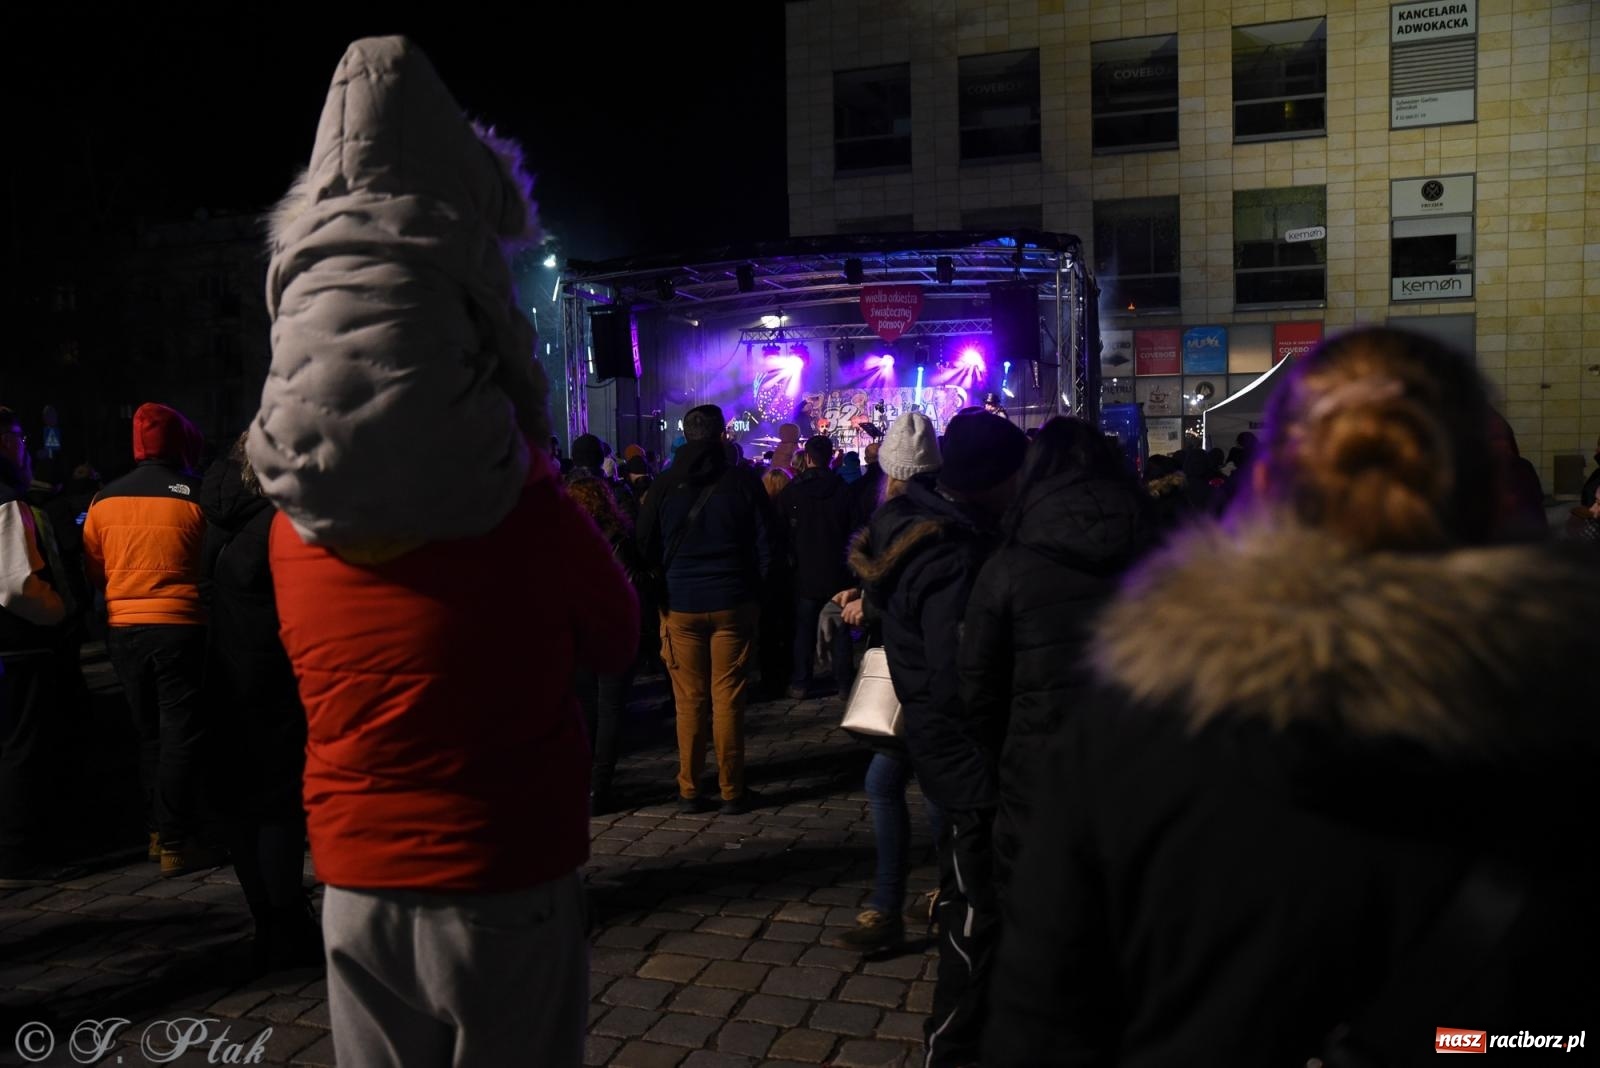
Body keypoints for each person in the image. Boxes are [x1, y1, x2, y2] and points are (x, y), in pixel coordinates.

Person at [986, 327, 1600, 1066]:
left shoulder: (1129, 732)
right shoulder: (1559, 742)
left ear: (1266, 485)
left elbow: (1041, 1021)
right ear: (1484, 493)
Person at [256, 37, 638, 1067]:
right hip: (501, 870)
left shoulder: (293, 522)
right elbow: (615, 636)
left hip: (353, 878)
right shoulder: (522, 505)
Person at [848, 410, 1029, 1067]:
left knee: (953, 856)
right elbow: (958, 670)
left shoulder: (902, 529)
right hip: (955, 736)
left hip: (930, 723)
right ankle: (954, 1043)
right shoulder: (951, 548)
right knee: (976, 894)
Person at [957, 417, 1151, 907]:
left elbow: (978, 690)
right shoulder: (1169, 547)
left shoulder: (1007, 565)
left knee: (1043, 917)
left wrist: (1006, 755)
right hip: (1147, 771)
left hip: (1040, 774)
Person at [199, 433, 319, 970]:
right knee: (277, 805)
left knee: (240, 803)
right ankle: (285, 922)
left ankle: (267, 919)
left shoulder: (219, 513)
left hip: (225, 670)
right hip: (274, 677)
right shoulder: (280, 522)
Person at [83, 401, 216, 877]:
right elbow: (210, 566)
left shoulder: (103, 500)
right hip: (180, 625)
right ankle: (179, 839)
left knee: (147, 734)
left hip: (124, 629)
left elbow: (95, 571)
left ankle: (157, 832)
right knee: (181, 730)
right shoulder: (195, 496)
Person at [832, 413, 947, 951]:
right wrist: (866, 597)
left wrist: (868, 606)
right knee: (925, 785)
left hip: (917, 676)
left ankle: (896, 906)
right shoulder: (947, 514)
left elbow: (910, 596)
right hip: (931, 675)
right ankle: (933, 895)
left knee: (907, 785)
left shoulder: (898, 521)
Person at [638, 404, 772, 814]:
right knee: (728, 698)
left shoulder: (664, 484)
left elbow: (644, 545)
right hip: (733, 601)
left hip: (681, 605)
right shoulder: (743, 482)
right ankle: (732, 789)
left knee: (689, 701)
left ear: (685, 433)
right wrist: (756, 592)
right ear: (722, 434)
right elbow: (767, 543)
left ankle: (690, 788)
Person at [0, 407, 75, 888]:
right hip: (17, 646)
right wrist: (58, 610)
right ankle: (17, 856)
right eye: (20, 439)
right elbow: (16, 585)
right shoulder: (6, 502)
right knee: (21, 750)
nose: (25, 448)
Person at [566, 476, 644, 814]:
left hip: (578, 633)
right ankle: (599, 788)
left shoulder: (561, 537)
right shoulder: (617, 538)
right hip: (610, 632)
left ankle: (582, 784)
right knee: (610, 710)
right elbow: (630, 586)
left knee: (585, 710)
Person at [778, 436, 857, 700]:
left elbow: (782, 532)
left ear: (808, 457)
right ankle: (844, 683)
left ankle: (801, 682)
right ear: (832, 456)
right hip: (837, 571)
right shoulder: (844, 490)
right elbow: (854, 531)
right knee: (841, 630)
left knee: (803, 630)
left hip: (804, 571)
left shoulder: (792, 491)